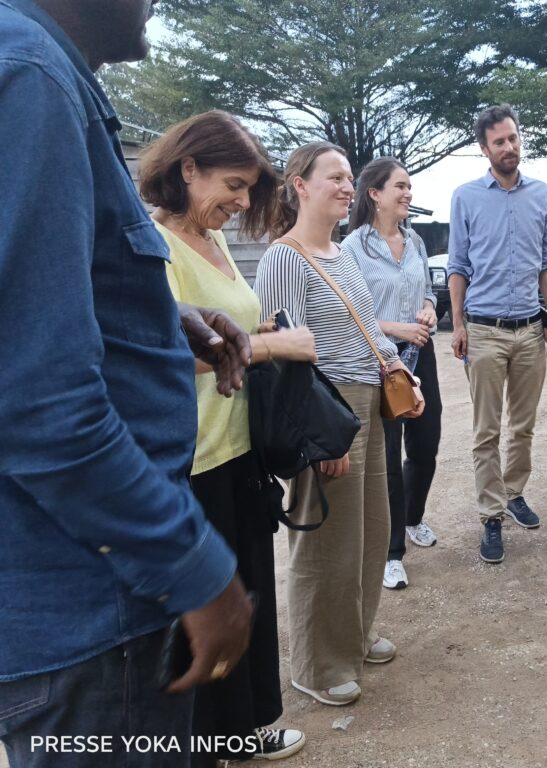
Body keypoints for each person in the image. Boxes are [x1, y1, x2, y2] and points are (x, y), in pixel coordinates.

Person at [0, 2, 254, 766]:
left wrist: (160, 318)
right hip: (88, 610)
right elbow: (38, 401)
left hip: (86, 606)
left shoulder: (44, 74)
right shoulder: (32, 78)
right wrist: (196, 567)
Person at [144, 111, 316, 762]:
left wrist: (260, 331)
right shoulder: (160, 249)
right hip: (195, 461)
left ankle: (247, 726)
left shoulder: (215, 246)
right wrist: (275, 345)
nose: (243, 202)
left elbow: (234, 331)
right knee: (208, 610)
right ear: (187, 170)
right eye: (234, 185)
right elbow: (161, 352)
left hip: (238, 451)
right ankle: (208, 742)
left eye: (249, 189)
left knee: (250, 599)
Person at [254, 142, 423, 707]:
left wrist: (398, 369)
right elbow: (286, 357)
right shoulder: (283, 259)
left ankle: (353, 635)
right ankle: (317, 664)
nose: (348, 186)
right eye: (336, 176)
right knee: (326, 543)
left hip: (369, 400)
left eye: (351, 177)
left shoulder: (344, 254)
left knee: (371, 532)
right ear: (299, 184)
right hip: (327, 409)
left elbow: (367, 326)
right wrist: (316, 436)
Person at [448, 103, 547, 564]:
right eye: (499, 142)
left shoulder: (542, 194)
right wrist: (456, 323)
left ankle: (513, 493)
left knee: (525, 426)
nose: (509, 147)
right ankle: (490, 516)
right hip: (485, 330)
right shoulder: (466, 197)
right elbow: (457, 266)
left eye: (513, 138)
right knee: (486, 430)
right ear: (484, 149)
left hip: (531, 330)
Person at [344, 157, 442, 591]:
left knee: (426, 445)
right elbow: (351, 313)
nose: (408, 194)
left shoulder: (416, 241)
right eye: (400, 186)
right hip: (380, 363)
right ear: (374, 194)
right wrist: (398, 328)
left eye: (409, 187)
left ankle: (413, 518)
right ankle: (391, 551)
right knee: (386, 460)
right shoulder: (353, 249)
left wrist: (429, 309)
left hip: (422, 357)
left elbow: (427, 291)